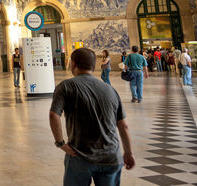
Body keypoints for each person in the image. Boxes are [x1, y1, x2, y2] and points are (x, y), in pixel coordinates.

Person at [49, 48, 135, 185]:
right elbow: (123, 125)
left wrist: (60, 143)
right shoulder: (110, 89)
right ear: (93, 65)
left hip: (80, 155)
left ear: (73, 64)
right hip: (111, 156)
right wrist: (129, 153)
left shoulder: (66, 86)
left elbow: (54, 115)